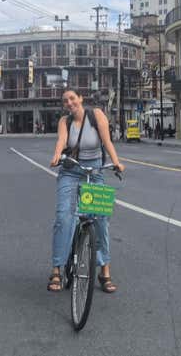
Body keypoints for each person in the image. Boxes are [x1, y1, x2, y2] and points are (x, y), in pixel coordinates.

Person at [48, 88, 125, 294]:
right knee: (65, 216)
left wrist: (116, 162)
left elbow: (107, 141)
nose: (69, 103)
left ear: (80, 98)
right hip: (71, 170)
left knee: (101, 219)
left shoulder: (96, 115)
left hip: (96, 170)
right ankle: (57, 268)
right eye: (65, 101)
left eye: (72, 98)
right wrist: (56, 156)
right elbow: (61, 141)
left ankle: (104, 270)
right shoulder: (64, 122)